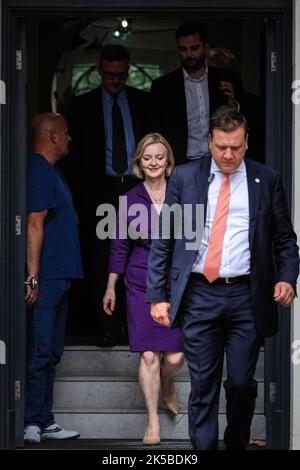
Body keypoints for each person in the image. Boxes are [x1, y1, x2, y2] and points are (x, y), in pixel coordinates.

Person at [146, 107, 299, 450]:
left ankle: (235, 443)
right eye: (221, 147)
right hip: (200, 294)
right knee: (203, 385)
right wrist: (157, 295)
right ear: (210, 143)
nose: (228, 155)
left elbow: (285, 239)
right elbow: (164, 239)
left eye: (235, 147)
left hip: (247, 295)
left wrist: (287, 278)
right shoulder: (185, 177)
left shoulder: (267, 179)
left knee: (243, 384)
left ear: (246, 143)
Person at [64, 44, 149, 347]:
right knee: (102, 258)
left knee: (139, 254)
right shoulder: (82, 106)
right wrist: (76, 201)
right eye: (110, 74)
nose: (115, 80)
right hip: (99, 191)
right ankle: (108, 327)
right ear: (100, 70)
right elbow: (71, 159)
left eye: (121, 74)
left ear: (128, 70)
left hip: (137, 187)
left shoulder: (143, 102)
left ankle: (132, 324)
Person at [103, 133, 185, 445]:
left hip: (175, 282)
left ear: (168, 162)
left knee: (175, 357)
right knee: (149, 354)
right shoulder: (129, 200)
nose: (153, 163)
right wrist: (111, 286)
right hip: (139, 280)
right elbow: (119, 247)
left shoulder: (182, 194)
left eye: (159, 157)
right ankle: (153, 421)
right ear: (139, 162)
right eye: (147, 158)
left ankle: (166, 382)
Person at [24, 113, 83, 444]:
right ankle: (31, 421)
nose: (70, 139)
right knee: (39, 350)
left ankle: (45, 419)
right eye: (66, 133)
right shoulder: (37, 169)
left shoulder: (51, 171)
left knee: (52, 350)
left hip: (61, 275)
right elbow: (34, 223)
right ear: (52, 137)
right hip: (46, 278)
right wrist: (33, 277)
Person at [148, 21, 244, 164]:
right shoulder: (162, 86)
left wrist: (233, 104)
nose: (189, 55)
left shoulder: (227, 79)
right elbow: (155, 132)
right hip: (180, 165)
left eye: (194, 48)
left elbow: (245, 124)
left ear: (205, 47)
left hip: (221, 162)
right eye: (183, 49)